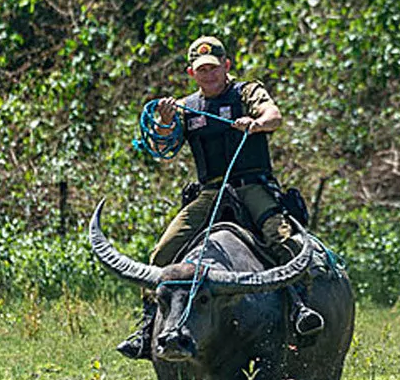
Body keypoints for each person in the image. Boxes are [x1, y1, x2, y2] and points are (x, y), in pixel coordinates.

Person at [116, 35, 323, 359]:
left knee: (281, 238)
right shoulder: (185, 107)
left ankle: (300, 308)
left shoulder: (246, 92)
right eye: (202, 70)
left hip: (252, 185)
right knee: (163, 250)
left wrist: (256, 123)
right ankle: (147, 327)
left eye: (214, 68)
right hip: (210, 191)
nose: (209, 75)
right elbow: (160, 148)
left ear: (226, 66)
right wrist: (166, 121)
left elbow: (274, 115)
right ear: (191, 73)